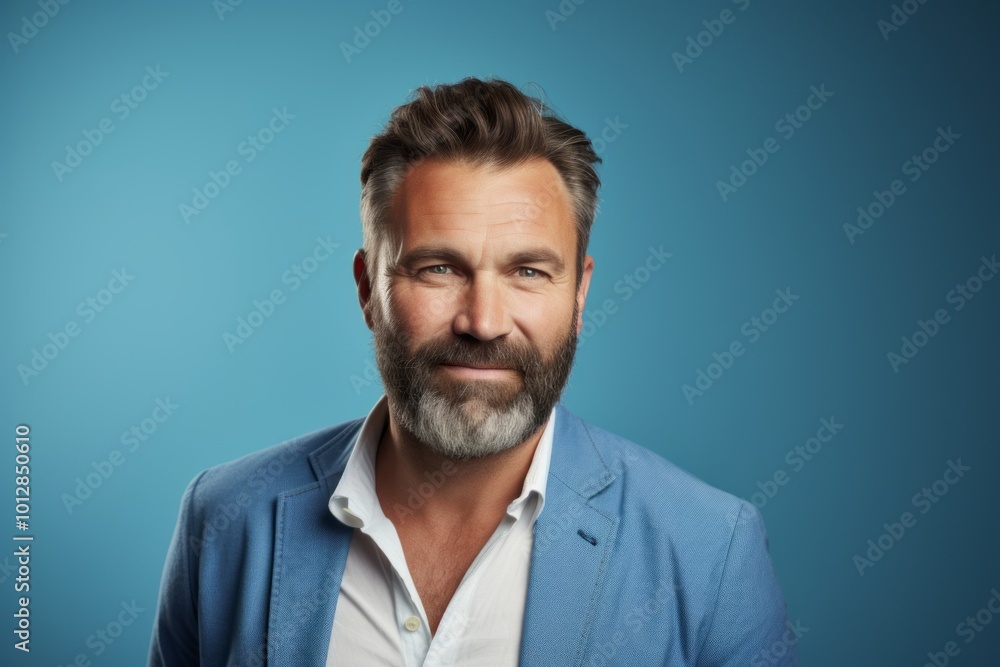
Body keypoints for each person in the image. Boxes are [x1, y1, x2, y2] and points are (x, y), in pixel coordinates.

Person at [148, 77, 798, 666]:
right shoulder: (223, 519)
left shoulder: (711, 551)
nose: (483, 321)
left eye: (528, 271)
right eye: (438, 268)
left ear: (579, 296)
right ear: (367, 289)